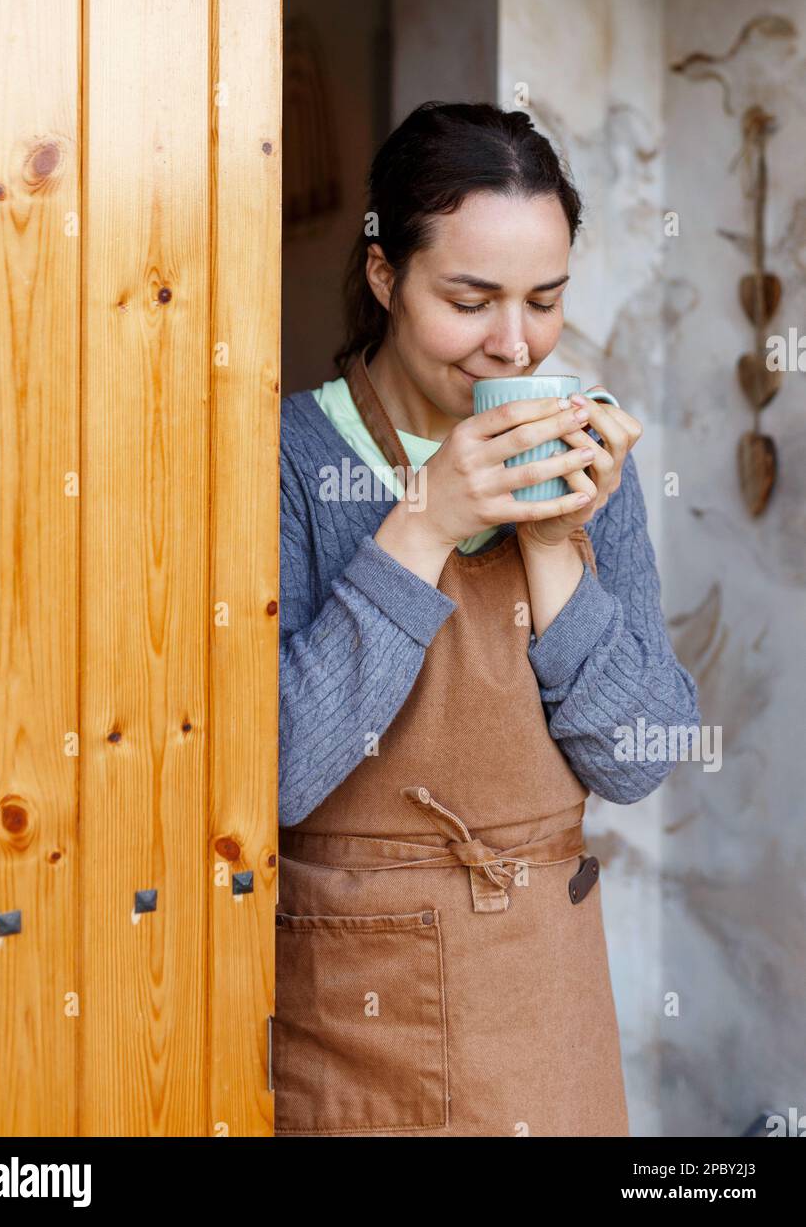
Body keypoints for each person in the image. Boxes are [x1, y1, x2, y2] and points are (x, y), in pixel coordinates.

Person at [274, 100, 701, 1138]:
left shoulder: (589, 462)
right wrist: (423, 525)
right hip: (349, 1008)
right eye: (469, 299)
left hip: (544, 1000)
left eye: (544, 299)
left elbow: (638, 756)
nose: (513, 344)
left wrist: (556, 546)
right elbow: (271, 769)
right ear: (384, 276)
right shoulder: (286, 458)